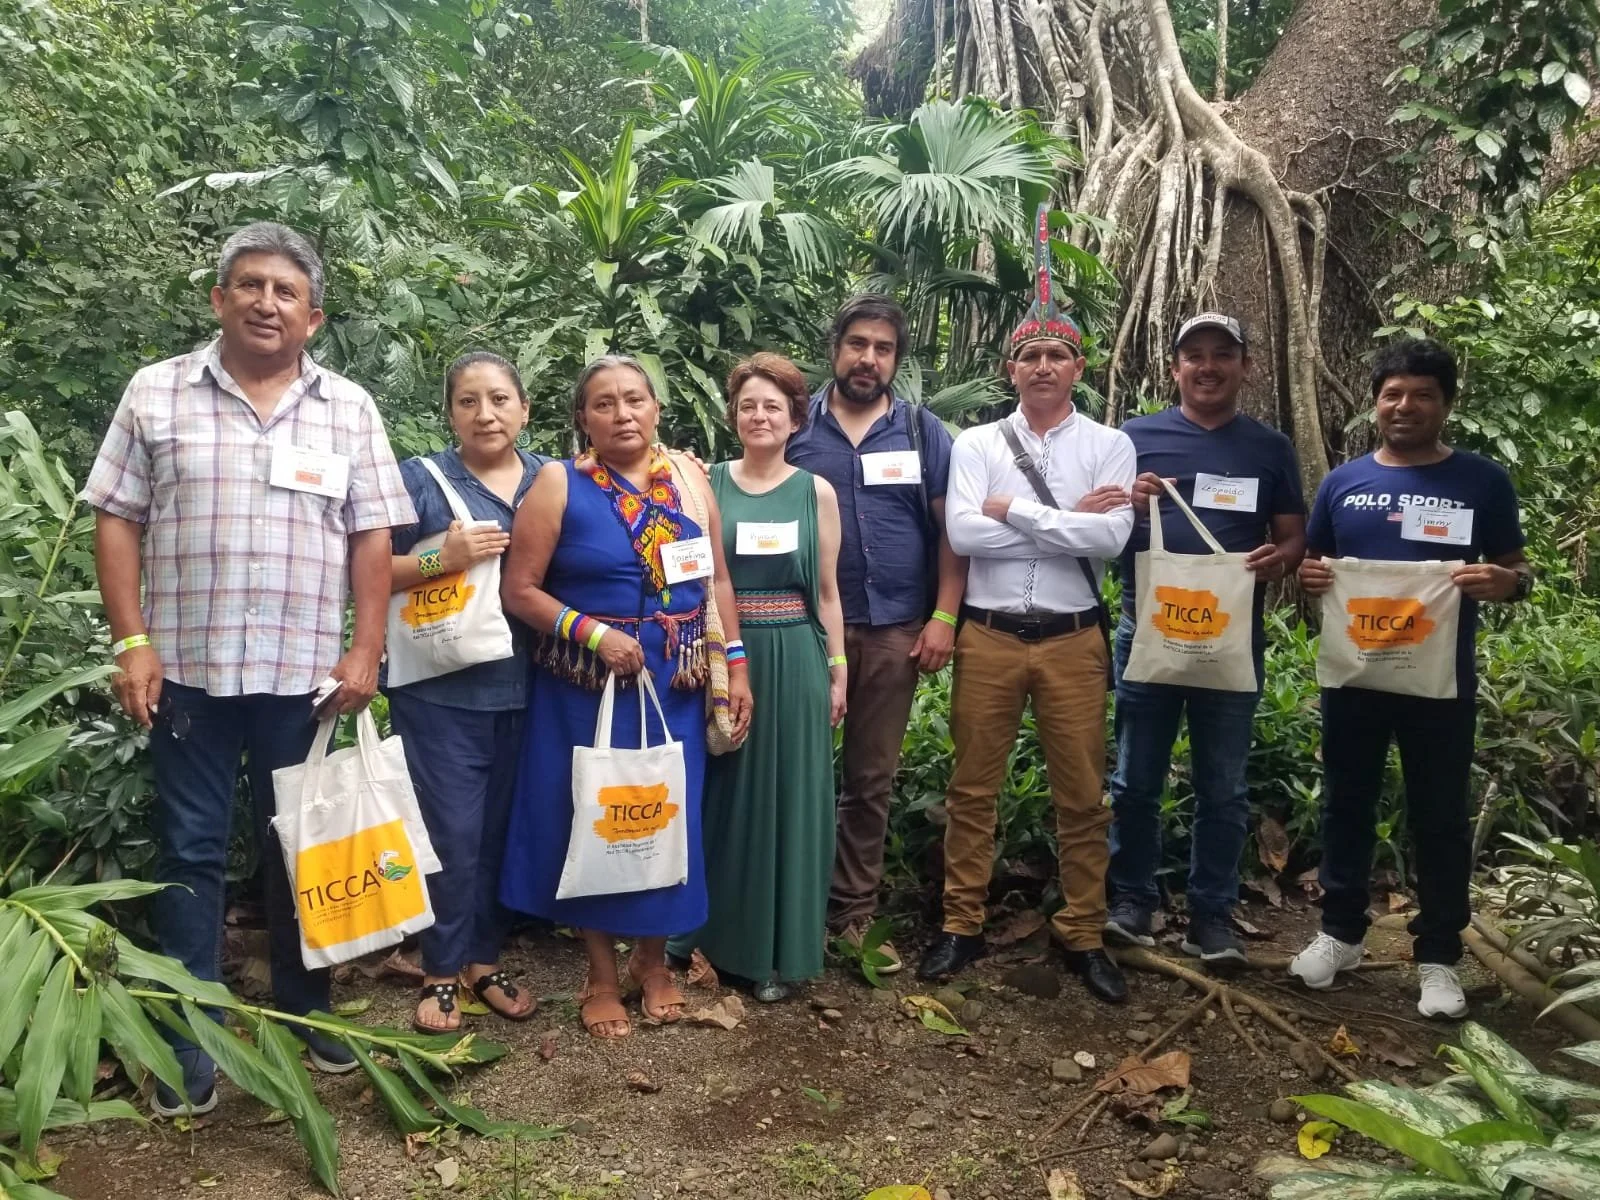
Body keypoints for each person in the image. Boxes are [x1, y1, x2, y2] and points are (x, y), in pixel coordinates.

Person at [85, 222, 415, 1115]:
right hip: (185, 671)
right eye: (251, 285)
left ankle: (308, 1012)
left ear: (314, 316)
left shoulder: (347, 408)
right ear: (219, 298)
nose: (267, 302)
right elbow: (115, 516)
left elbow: (373, 535)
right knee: (190, 852)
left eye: (286, 292)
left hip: (303, 675)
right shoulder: (157, 394)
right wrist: (131, 641)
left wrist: (365, 648)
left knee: (300, 847)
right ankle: (186, 1041)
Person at [498, 355, 754, 1039]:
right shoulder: (559, 484)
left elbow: (717, 584)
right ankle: (601, 973)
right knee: (596, 813)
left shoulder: (692, 483)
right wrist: (593, 634)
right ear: (583, 418)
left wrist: (737, 665)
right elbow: (519, 590)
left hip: (679, 679)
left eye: (635, 400)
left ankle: (653, 963)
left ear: (657, 409)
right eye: (604, 404)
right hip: (590, 679)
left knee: (665, 815)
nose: (622, 414)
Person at [917, 215, 1137, 1004]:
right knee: (973, 787)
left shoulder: (1111, 444)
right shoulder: (974, 445)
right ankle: (960, 924)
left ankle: (1084, 931)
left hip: (1074, 643)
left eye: (1057, 353)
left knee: (1081, 793)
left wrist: (1017, 513)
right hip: (990, 637)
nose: (1043, 365)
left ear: (1079, 364)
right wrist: (1057, 518)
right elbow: (962, 531)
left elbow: (1111, 538)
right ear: (1010, 367)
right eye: (1028, 354)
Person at [1288, 336, 1530, 1019]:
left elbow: (1516, 571)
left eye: (1423, 394)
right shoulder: (1344, 483)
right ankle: (1340, 933)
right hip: (1355, 675)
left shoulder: (1481, 481)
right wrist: (1311, 577)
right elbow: (1316, 566)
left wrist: (1504, 582)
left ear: (1446, 405)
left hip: (1438, 681)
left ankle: (1438, 955)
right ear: (1374, 404)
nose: (1406, 406)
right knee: (1346, 803)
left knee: (1441, 815)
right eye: (1393, 393)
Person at [1104, 314, 1306, 964]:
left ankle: (1211, 918)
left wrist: (1281, 557)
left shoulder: (1269, 447)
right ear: (1175, 369)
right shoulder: (1136, 438)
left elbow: (1294, 533)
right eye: (1195, 356)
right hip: (1149, 625)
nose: (1209, 366)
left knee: (1223, 786)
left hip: (1230, 632)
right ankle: (1133, 902)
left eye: (1224, 355)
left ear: (1246, 366)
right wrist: (1126, 503)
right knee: (1136, 778)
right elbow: (1101, 529)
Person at [785, 294, 965, 972]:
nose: (868, 358)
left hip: (894, 631)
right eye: (857, 343)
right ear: (835, 348)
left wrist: (945, 616)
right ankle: (787, 903)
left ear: (897, 360)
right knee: (794, 771)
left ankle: (853, 915)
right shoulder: (794, 428)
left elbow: (953, 534)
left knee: (870, 778)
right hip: (801, 632)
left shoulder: (922, 433)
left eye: (883, 348)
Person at [666, 354, 847, 1003]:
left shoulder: (815, 492)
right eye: (748, 405)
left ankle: (778, 953)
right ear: (733, 415)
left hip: (795, 655)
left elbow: (827, 592)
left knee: (789, 801)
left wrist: (838, 671)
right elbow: (685, 570)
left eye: (773, 405)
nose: (760, 415)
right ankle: (703, 936)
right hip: (724, 656)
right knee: (721, 797)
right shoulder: (706, 482)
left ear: (796, 418)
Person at [384, 352, 547, 1032]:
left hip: (534, 689)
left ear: (524, 409)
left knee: (502, 835)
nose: (486, 414)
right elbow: (366, 569)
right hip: (442, 691)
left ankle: (484, 959)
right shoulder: (420, 480)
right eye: (469, 401)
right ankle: (441, 970)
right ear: (449, 412)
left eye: (500, 399)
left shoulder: (549, 480)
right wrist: (439, 558)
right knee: (451, 833)